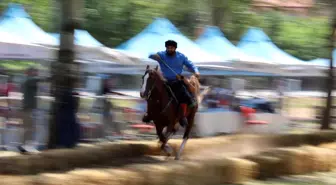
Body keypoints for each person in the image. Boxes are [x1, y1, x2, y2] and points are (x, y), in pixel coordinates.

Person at [143, 40, 200, 127]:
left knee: (185, 97)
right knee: (152, 94)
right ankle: (149, 114)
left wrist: (196, 71)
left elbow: (190, 64)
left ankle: (182, 117)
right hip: (164, 81)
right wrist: (154, 56)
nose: (169, 49)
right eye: (168, 48)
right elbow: (150, 55)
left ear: (175, 48)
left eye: (171, 48)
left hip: (177, 81)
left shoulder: (181, 56)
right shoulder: (162, 54)